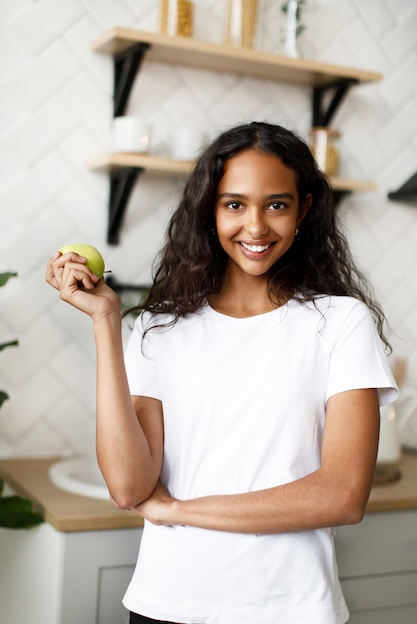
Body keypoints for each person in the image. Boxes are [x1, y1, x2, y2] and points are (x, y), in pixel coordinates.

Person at [46, 122, 398, 624]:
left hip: (291, 610)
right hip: (165, 605)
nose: (255, 227)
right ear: (209, 211)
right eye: (234, 204)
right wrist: (106, 321)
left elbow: (342, 496)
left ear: (304, 210)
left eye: (276, 204)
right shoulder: (158, 328)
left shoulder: (341, 323)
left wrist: (180, 510)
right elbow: (129, 487)